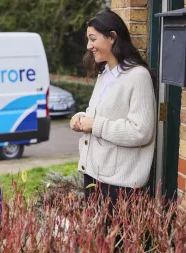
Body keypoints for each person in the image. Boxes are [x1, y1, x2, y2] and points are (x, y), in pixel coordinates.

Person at [70, 8, 156, 207]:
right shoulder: (105, 74)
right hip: (93, 176)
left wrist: (94, 125)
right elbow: (102, 115)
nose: (89, 46)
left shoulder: (138, 76)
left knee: (116, 239)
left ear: (112, 38)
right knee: (94, 238)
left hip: (119, 187)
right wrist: (82, 117)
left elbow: (141, 131)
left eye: (93, 39)